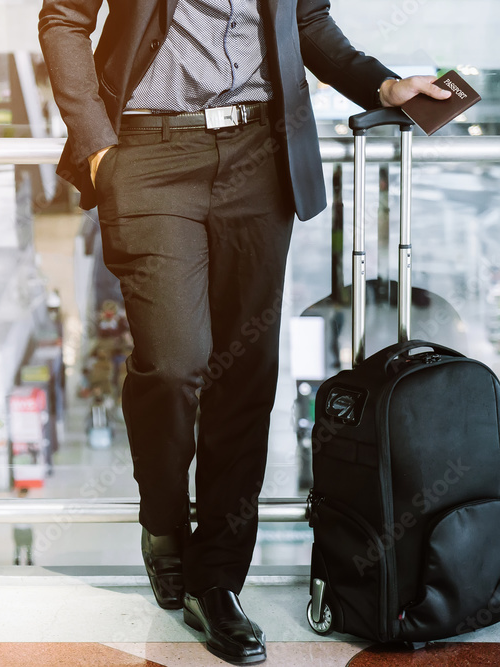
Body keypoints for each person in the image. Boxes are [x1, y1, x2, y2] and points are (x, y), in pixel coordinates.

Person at [38, 1, 449, 663]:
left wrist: (382, 85)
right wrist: (96, 146)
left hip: (260, 157)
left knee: (247, 375)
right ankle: (163, 522)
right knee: (174, 362)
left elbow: (307, 22)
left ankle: (218, 578)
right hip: (148, 155)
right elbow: (63, 18)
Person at [13, 487, 34, 565]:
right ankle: (18, 560)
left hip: (24, 528)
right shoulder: (17, 501)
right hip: (21, 528)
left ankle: (27, 560)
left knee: (26, 546)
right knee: (19, 546)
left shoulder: (26, 502)